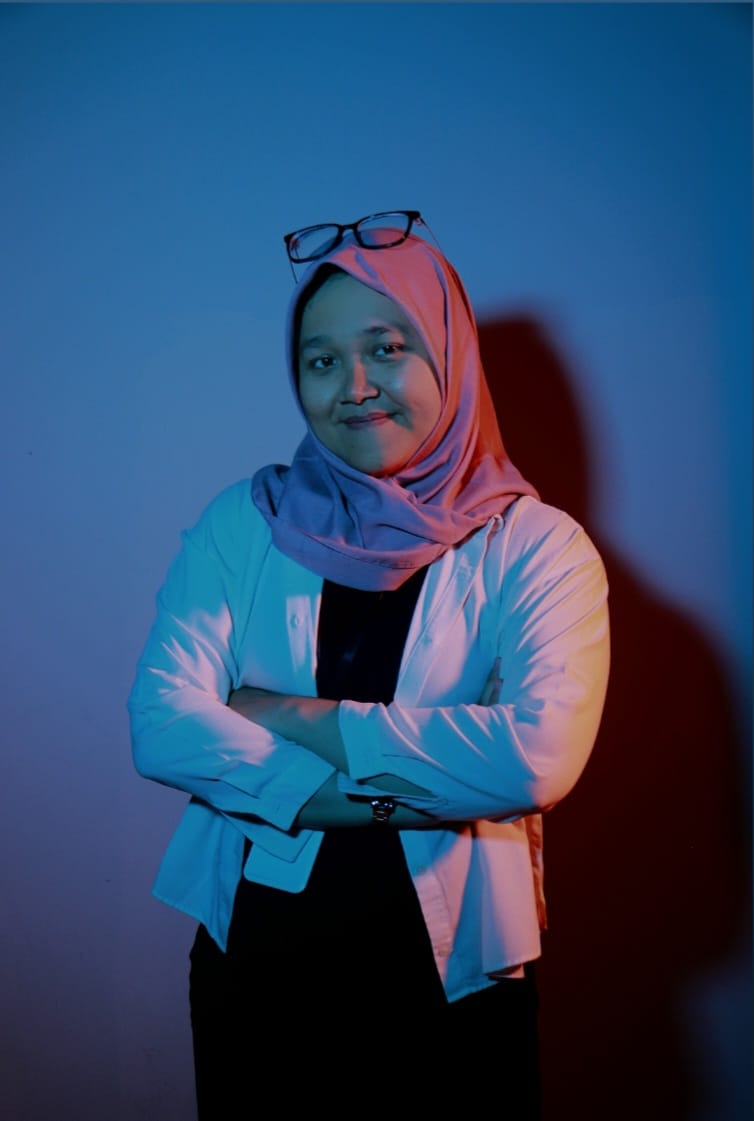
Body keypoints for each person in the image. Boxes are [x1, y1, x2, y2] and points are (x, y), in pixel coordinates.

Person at [128, 210, 610, 1118]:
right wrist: (397, 794)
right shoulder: (245, 522)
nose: (355, 386)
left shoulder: (540, 549)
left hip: (456, 985)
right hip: (257, 969)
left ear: (450, 356)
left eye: (388, 348)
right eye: (321, 360)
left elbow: (536, 757)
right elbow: (161, 725)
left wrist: (287, 713)